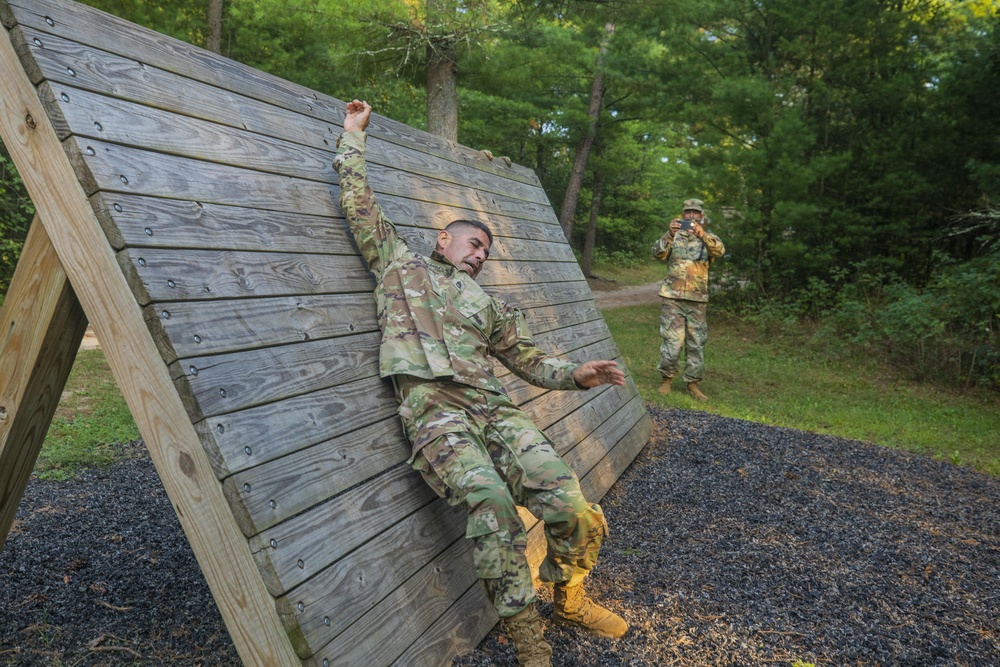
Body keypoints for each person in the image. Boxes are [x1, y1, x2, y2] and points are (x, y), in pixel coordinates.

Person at [333, 99, 628, 667]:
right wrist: (353, 134)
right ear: (444, 239)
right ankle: (527, 641)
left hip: (493, 408)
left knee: (573, 506)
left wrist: (575, 375)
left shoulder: (484, 302)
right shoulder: (398, 262)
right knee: (492, 504)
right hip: (434, 409)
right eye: (474, 245)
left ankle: (567, 596)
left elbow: (526, 359)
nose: (480, 256)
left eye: (486, 254)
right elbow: (358, 202)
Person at [651, 198, 725, 401]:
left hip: (697, 300)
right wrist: (669, 234)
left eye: (695, 212)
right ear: (682, 215)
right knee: (672, 342)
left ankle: (693, 384)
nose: (691, 216)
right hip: (672, 298)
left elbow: (720, 250)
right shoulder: (674, 236)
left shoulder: (708, 238)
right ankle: (666, 380)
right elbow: (656, 253)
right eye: (688, 212)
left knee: (696, 343)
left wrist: (703, 236)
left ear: (701, 216)